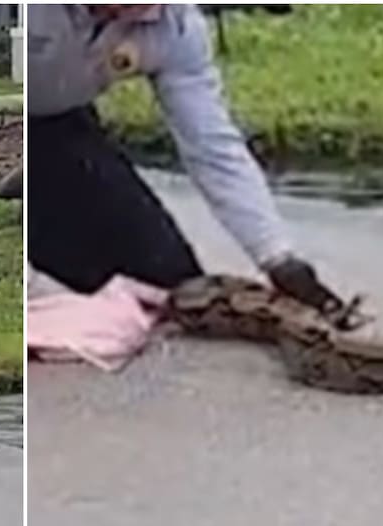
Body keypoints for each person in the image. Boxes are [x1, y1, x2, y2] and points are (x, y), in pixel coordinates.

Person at [27, 3, 344, 314]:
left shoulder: (176, 27)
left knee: (173, 292)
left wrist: (278, 258)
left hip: (56, 128)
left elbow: (213, 148)